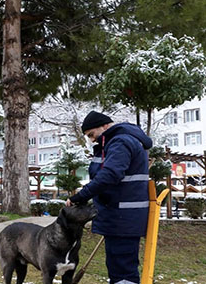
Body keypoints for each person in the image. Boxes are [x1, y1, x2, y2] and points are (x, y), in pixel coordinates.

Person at [66, 110, 152, 284]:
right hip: (119, 216)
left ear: (105, 126)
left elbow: (109, 175)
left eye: (92, 134)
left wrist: (80, 197)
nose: (92, 140)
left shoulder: (121, 142)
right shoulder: (116, 142)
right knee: (118, 268)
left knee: (123, 271)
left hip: (123, 217)